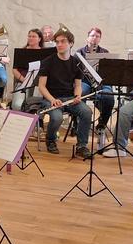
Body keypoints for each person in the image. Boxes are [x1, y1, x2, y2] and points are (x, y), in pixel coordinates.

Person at [37, 29, 93, 158]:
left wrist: (77, 96)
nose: (59, 44)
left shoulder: (76, 63)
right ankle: (51, 140)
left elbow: (78, 85)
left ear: (71, 43)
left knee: (86, 112)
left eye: (63, 41)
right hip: (51, 98)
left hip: (69, 98)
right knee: (57, 117)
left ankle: (81, 146)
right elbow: (41, 86)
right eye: (57, 42)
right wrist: (52, 100)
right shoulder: (48, 62)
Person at [76, 27, 115, 134]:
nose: (94, 38)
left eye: (97, 36)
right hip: (85, 80)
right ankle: (79, 123)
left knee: (109, 96)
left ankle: (102, 123)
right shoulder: (79, 52)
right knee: (80, 93)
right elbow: (74, 70)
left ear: (100, 39)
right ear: (87, 38)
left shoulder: (105, 52)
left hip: (101, 82)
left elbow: (110, 71)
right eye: (92, 35)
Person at [11, 28, 44, 112]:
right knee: (17, 105)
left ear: (39, 39)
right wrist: (25, 80)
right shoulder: (21, 52)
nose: (30, 38)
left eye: (34, 36)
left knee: (34, 106)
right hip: (22, 82)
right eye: (29, 36)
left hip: (39, 84)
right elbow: (14, 70)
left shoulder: (45, 53)